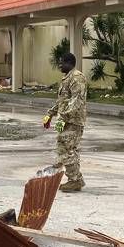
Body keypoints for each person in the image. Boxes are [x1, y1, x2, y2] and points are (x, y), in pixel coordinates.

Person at [43, 52, 87, 192]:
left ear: (69, 63)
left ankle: (75, 180)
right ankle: (73, 178)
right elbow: (62, 101)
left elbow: (77, 102)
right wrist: (50, 114)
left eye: (62, 63)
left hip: (73, 121)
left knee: (67, 149)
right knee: (63, 148)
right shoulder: (66, 78)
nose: (60, 65)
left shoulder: (77, 78)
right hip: (64, 120)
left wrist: (64, 116)